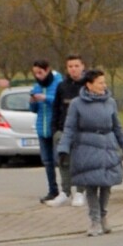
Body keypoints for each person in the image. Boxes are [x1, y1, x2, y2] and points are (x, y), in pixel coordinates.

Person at [61, 68, 123, 235]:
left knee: (106, 185)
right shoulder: (77, 104)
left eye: (104, 82)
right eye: (100, 83)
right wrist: (63, 148)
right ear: (89, 85)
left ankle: (103, 216)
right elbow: (69, 128)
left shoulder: (110, 103)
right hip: (87, 148)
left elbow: (117, 127)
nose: (104, 85)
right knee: (91, 186)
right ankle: (94, 220)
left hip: (108, 147)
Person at [47, 54, 87, 206]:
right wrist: (55, 130)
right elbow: (56, 109)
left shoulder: (87, 86)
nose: (74, 69)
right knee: (63, 161)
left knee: (80, 162)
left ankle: (80, 192)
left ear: (82, 66)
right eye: (70, 66)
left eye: (76, 66)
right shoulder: (62, 86)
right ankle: (65, 191)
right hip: (63, 131)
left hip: (82, 131)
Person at [26, 59, 61, 204]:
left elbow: (59, 102)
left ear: (47, 70)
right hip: (42, 128)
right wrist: (32, 102)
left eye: (40, 72)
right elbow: (34, 110)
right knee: (47, 162)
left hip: (56, 127)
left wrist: (46, 98)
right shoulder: (36, 87)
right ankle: (53, 190)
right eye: (35, 73)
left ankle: (67, 189)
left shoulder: (58, 84)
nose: (38, 76)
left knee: (59, 160)